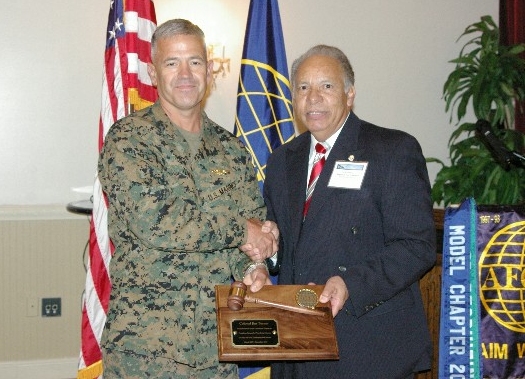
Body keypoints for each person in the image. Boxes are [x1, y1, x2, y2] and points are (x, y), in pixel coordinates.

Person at [97, 19, 276, 378]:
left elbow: (252, 224)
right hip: (147, 348)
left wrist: (256, 267)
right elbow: (159, 222)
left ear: (210, 71)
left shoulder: (230, 149)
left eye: (194, 62)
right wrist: (245, 232)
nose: (185, 74)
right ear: (152, 72)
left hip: (216, 347)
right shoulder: (130, 140)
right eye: (171, 63)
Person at [262, 45, 437, 378]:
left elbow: (417, 246)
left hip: (366, 347)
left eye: (326, 86)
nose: (313, 98)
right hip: (296, 349)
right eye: (303, 88)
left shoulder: (392, 150)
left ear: (349, 94)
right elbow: (284, 247)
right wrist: (265, 252)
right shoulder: (283, 160)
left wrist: (351, 285)